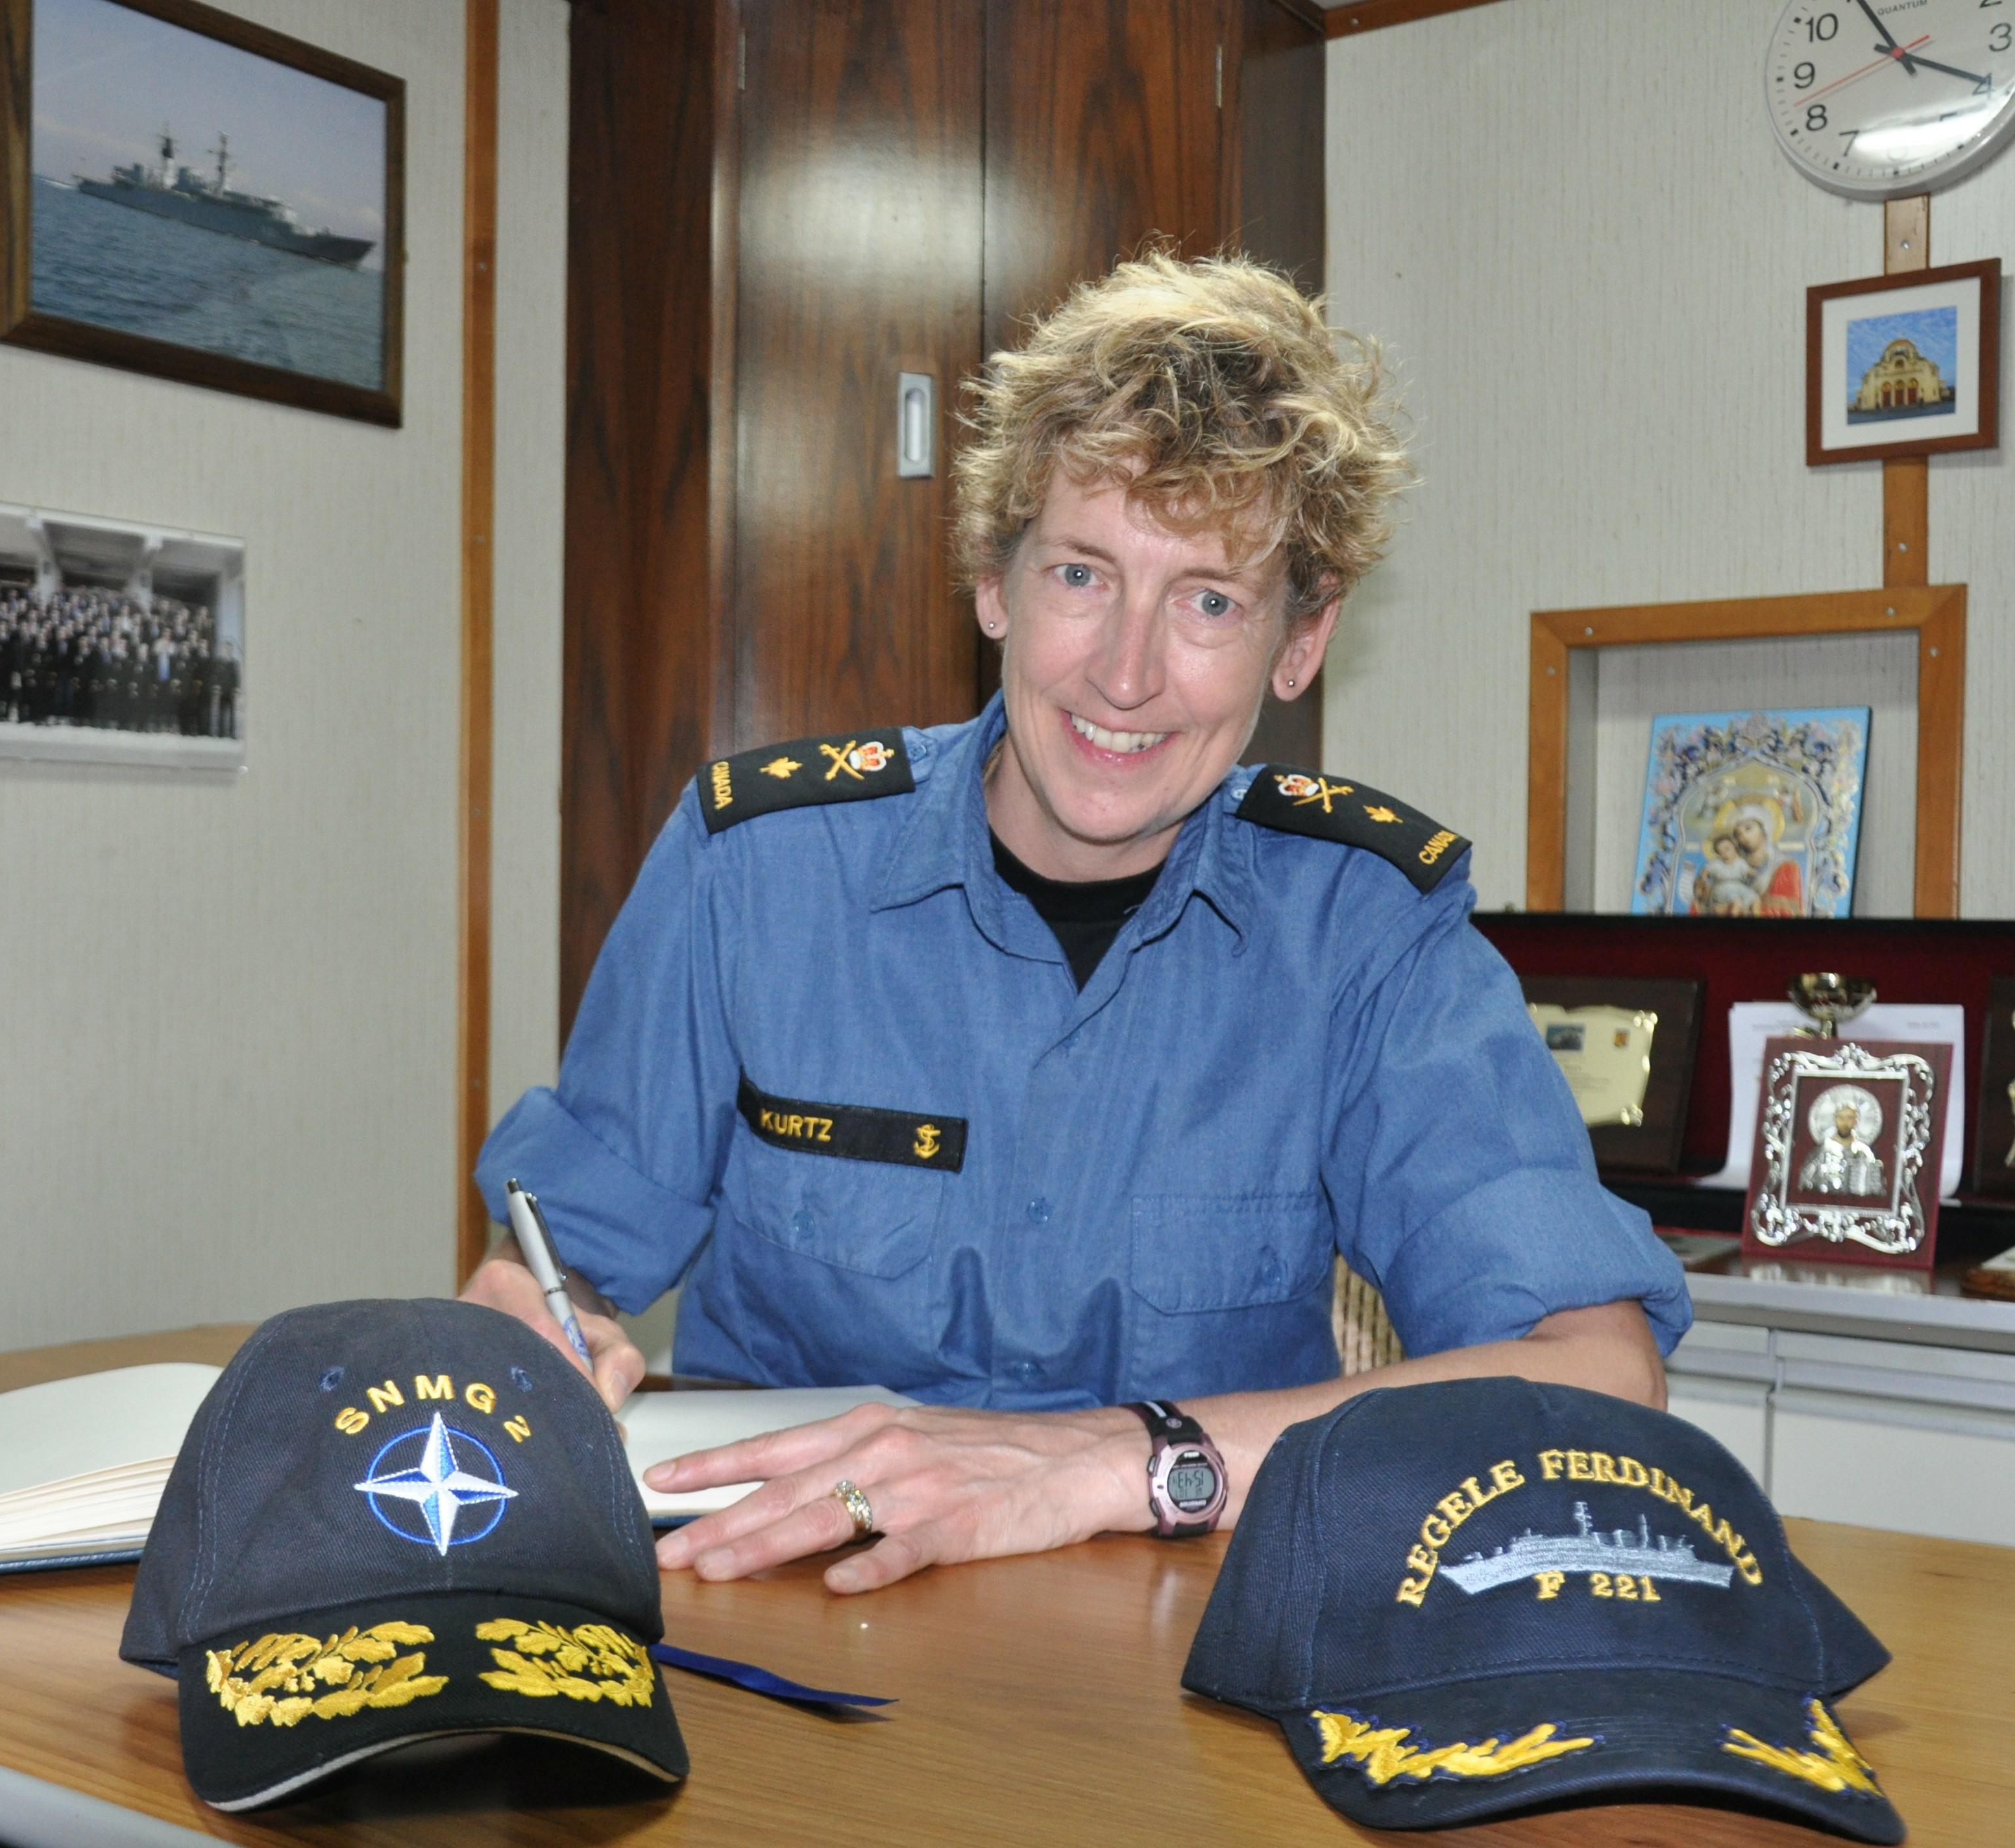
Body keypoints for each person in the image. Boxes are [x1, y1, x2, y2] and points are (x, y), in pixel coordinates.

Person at [463, 252, 1689, 1596]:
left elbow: (1598, 1376)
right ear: (996, 582)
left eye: (1208, 600)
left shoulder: (1366, 932)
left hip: (1175, 1648)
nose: (1125, 672)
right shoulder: (751, 868)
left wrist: (1110, 1461)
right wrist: (540, 1316)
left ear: (1298, 642)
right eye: (1081, 576)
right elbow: (555, 1271)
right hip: (784, 1607)